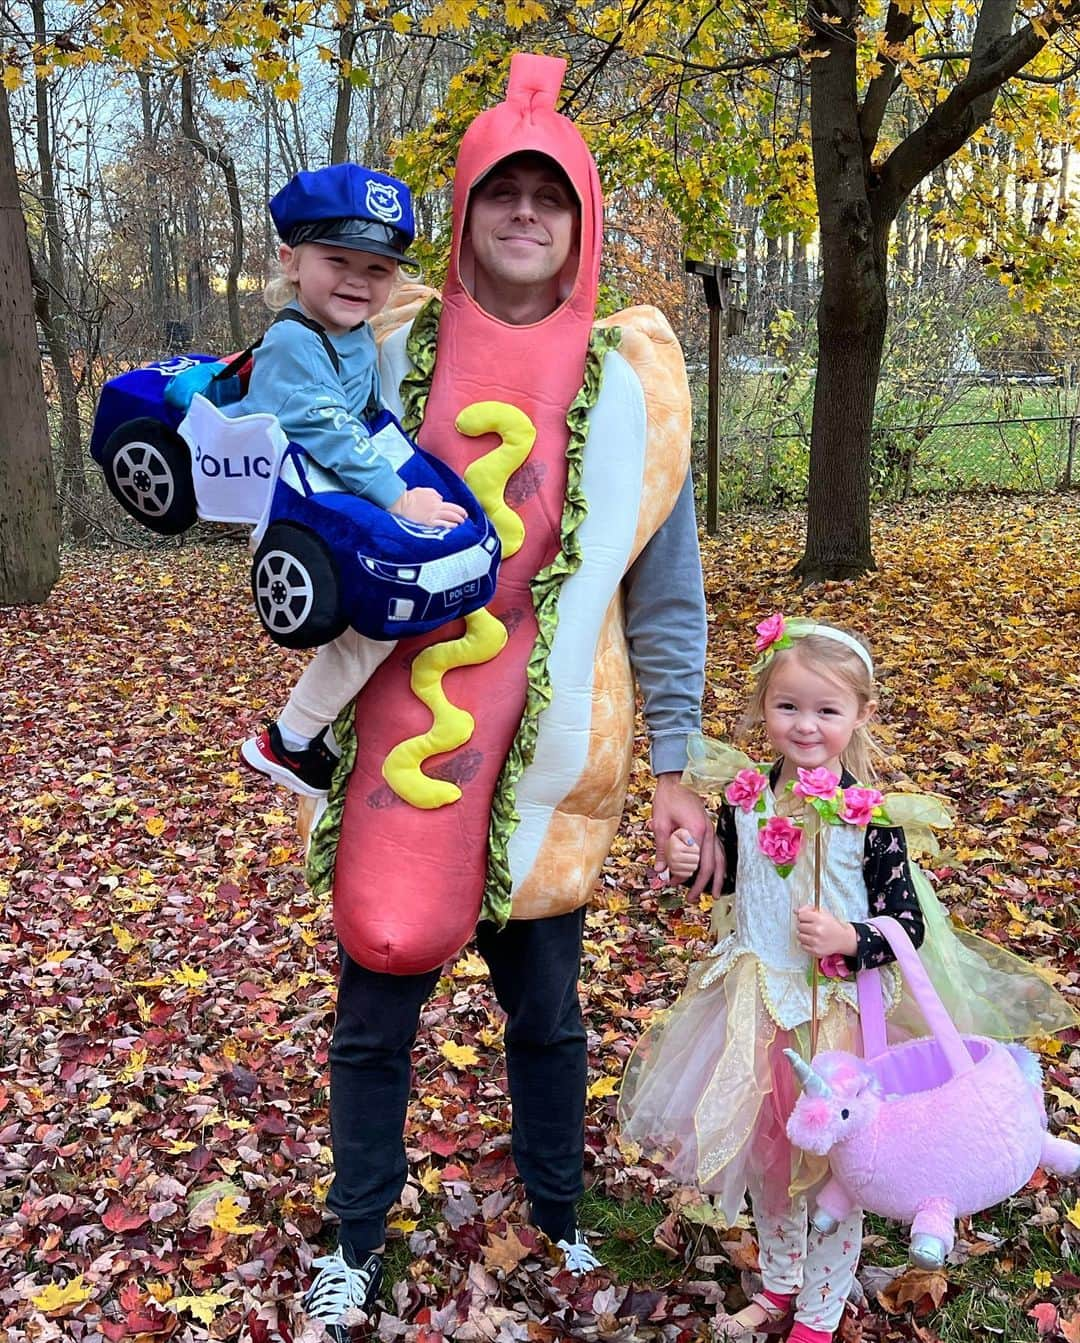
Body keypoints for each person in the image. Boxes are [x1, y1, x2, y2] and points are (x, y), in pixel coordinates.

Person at [297, 54, 714, 1341]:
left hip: (552, 765)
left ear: (579, 220)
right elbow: (298, 501)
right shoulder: (387, 348)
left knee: (544, 1015)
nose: (524, 213)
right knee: (375, 1006)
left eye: (550, 195)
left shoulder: (634, 386)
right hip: (404, 744)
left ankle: (560, 1217)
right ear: (468, 209)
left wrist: (678, 761)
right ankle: (356, 1242)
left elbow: (666, 596)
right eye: (500, 192)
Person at [618, 613, 1079, 1342]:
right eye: (788, 706)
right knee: (772, 1160)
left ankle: (821, 1310)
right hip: (759, 1008)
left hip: (843, 1020)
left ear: (859, 715)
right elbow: (732, 882)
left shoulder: (872, 821)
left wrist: (849, 937)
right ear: (762, 706)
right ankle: (779, 1280)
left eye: (826, 710)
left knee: (841, 1165)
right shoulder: (747, 798)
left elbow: (907, 924)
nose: (805, 726)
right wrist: (693, 869)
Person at [236, 163, 468, 798]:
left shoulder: (354, 334)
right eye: (338, 260)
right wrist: (398, 496)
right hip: (298, 505)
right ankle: (289, 740)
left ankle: (318, 732)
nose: (358, 281)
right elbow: (331, 429)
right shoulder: (294, 340)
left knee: (377, 629)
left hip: (331, 489)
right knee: (371, 623)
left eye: (377, 269)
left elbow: (369, 418)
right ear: (290, 260)